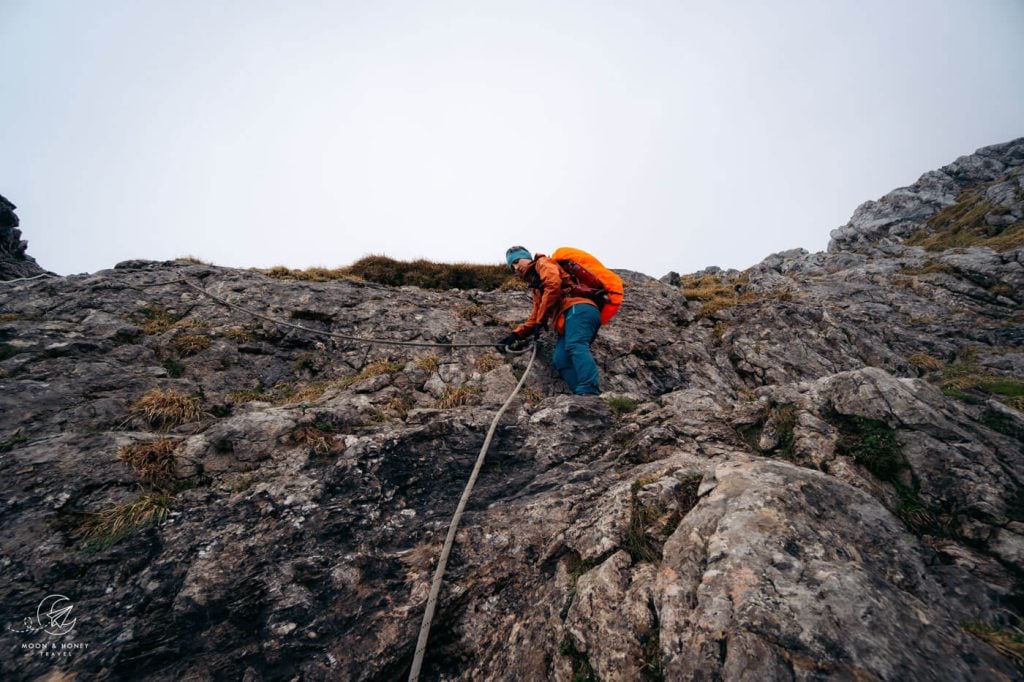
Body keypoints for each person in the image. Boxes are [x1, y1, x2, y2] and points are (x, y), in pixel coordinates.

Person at [498, 246, 601, 396]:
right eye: (512, 266)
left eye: (517, 261)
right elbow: (535, 317)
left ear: (527, 258)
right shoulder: (536, 288)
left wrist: (541, 320)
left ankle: (589, 388)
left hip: (579, 307)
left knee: (575, 344)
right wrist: (516, 335)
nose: (516, 267)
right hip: (569, 316)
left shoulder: (543, 263)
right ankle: (581, 395)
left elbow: (553, 285)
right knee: (560, 360)